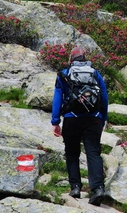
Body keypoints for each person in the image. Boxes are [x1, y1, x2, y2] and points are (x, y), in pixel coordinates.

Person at [51, 45, 108, 206]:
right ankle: (98, 188)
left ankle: (75, 187)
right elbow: (104, 98)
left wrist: (55, 121)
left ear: (71, 58)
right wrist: (102, 119)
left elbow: (57, 98)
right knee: (93, 153)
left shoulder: (64, 74)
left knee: (72, 153)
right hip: (93, 119)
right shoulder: (95, 73)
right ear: (85, 57)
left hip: (71, 118)